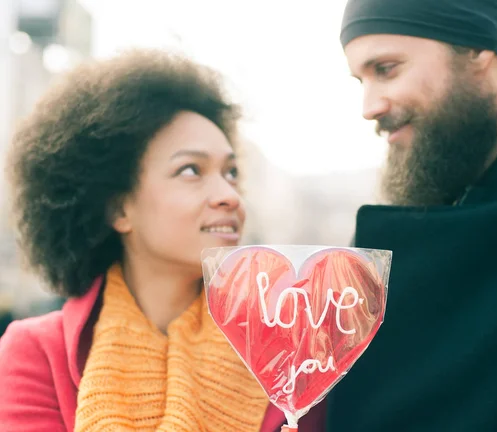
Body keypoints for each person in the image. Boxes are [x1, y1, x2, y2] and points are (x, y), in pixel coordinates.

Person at [0, 49, 326, 432]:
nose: (230, 195)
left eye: (231, 171)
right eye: (191, 170)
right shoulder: (36, 354)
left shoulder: (292, 355)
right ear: (119, 209)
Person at [326, 0, 497, 431]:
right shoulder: (407, 227)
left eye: (387, 68)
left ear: (477, 49)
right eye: (361, 79)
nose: (369, 106)